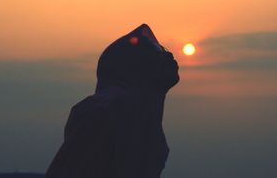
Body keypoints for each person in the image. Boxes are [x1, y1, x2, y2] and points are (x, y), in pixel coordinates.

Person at [46, 23, 180, 178]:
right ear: (133, 66)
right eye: (156, 51)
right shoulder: (107, 108)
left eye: (162, 48)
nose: (169, 55)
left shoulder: (144, 111)